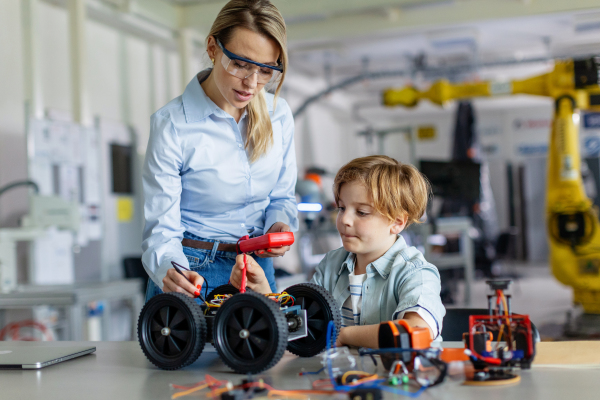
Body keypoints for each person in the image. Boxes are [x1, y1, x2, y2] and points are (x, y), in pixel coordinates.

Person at [142, 0, 298, 302]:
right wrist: (169, 268)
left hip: (256, 269)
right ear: (213, 48)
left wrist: (278, 224)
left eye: (266, 71)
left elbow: (281, 197)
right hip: (191, 270)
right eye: (240, 64)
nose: (251, 83)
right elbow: (161, 226)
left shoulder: (278, 113)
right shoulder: (172, 124)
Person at [229, 156, 445, 348]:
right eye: (341, 208)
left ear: (397, 222)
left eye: (361, 212)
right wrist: (263, 289)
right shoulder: (332, 263)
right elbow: (301, 324)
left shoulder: (416, 273)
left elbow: (417, 331)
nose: (344, 220)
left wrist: (342, 336)